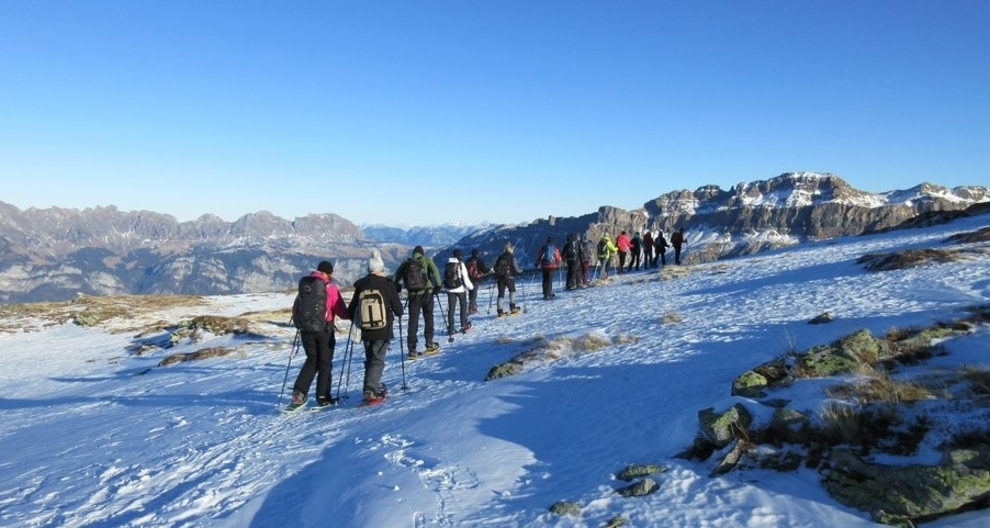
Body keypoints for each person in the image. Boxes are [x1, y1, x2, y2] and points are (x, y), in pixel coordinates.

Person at [289, 260, 351, 409]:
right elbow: (342, 312)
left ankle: (299, 393)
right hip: (324, 331)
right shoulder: (330, 287)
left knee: (311, 361)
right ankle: (323, 397)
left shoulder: (305, 286)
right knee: (324, 363)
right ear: (328, 273)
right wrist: (353, 314)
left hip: (305, 330)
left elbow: (296, 308)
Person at [347, 249, 403, 405]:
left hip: (366, 329)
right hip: (383, 328)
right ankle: (371, 389)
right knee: (378, 360)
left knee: (370, 358)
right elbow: (399, 310)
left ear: (369, 269)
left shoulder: (361, 286)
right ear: (381, 268)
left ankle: (371, 386)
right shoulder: (387, 285)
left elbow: (351, 311)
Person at [393, 245, 443, 358]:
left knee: (413, 321)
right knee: (428, 317)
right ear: (422, 253)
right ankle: (429, 343)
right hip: (427, 293)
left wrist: (397, 287)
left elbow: (395, 278)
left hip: (413, 296)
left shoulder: (406, 263)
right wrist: (438, 285)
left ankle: (412, 350)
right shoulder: (427, 260)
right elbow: (435, 272)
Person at [443, 249, 474, 334]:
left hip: (449, 289)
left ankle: (451, 328)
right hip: (459, 288)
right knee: (463, 305)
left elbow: (445, 276)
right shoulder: (460, 264)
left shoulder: (448, 263)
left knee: (451, 309)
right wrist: (471, 287)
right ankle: (464, 324)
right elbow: (465, 277)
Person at [493, 241, 523, 317]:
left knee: (501, 294)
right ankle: (513, 308)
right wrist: (521, 270)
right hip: (510, 278)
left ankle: (500, 311)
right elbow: (517, 269)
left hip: (500, 278)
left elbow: (495, 268)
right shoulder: (512, 258)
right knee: (512, 291)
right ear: (511, 250)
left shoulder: (500, 257)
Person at [464, 248, 490, 314]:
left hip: (468, 279)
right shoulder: (479, 261)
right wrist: (488, 270)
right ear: (477, 254)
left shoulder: (467, 261)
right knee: (474, 293)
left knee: (471, 293)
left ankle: (472, 306)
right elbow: (484, 270)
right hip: (476, 279)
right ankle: (472, 308)